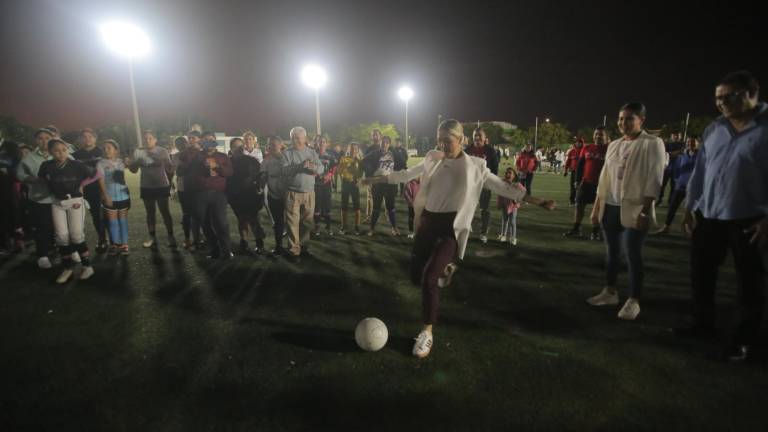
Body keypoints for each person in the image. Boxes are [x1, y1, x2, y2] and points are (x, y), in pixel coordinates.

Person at [363, 119, 556, 359]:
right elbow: (405, 174)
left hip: (450, 228)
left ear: (461, 139)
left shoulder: (475, 166)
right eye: (440, 140)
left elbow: (503, 187)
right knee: (415, 275)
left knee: (428, 279)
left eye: (448, 140)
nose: (443, 145)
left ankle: (427, 332)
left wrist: (536, 201)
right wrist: (375, 179)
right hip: (427, 224)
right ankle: (447, 267)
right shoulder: (433, 158)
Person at [678, 71, 767, 362]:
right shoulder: (715, 128)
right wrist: (690, 207)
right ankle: (702, 324)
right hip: (711, 213)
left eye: (728, 97)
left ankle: (745, 340)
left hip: (751, 217)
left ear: (750, 93)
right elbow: (701, 171)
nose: (721, 104)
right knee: (701, 274)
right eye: (717, 98)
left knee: (749, 282)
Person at [586, 102, 665, 321]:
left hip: (635, 208)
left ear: (642, 120)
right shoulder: (614, 145)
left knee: (632, 254)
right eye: (621, 118)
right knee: (612, 253)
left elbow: (655, 179)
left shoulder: (653, 143)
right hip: (610, 206)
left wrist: (645, 211)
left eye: (630, 118)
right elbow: (604, 180)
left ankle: (634, 299)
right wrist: (596, 208)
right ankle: (610, 291)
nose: (623, 122)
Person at [38, 138, 100, 283]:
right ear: (50, 152)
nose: (61, 153)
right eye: (56, 151)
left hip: (75, 201)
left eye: (64, 150)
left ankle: (87, 266)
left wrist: (82, 185)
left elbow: (96, 174)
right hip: (57, 202)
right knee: (61, 236)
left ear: (67, 149)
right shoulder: (46, 165)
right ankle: (67, 268)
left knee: (76, 235)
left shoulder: (76, 164)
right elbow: (42, 178)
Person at [282, 126, 323, 263]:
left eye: (298, 137)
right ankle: (294, 250)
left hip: (309, 192)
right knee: (292, 223)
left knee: (307, 222)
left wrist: (314, 167)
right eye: (293, 137)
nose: (295, 140)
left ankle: (304, 247)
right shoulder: (287, 153)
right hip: (292, 192)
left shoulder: (311, 153)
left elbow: (321, 168)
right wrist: (300, 167)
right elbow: (284, 170)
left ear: (305, 138)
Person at [129, 130, 176, 249]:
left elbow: (170, 170)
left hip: (161, 186)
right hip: (146, 186)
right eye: (145, 138)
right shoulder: (139, 151)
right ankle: (152, 237)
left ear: (155, 140)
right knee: (150, 213)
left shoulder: (162, 151)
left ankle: (171, 237)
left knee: (165, 212)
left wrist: (170, 182)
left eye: (150, 138)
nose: (147, 140)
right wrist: (135, 162)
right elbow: (133, 170)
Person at [16, 128, 56, 268]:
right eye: (40, 138)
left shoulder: (60, 152)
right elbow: (20, 174)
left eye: (47, 138)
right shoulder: (29, 157)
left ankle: (55, 249)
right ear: (36, 141)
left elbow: (76, 167)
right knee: (42, 227)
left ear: (52, 138)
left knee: (58, 227)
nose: (44, 141)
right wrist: (33, 180)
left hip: (59, 198)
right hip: (40, 198)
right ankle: (42, 255)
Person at [564, 126, 610, 240]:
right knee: (579, 205)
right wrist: (577, 181)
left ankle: (596, 231)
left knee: (599, 209)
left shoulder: (611, 149)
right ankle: (576, 228)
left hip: (602, 185)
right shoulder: (587, 148)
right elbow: (580, 165)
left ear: (606, 137)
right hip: (586, 183)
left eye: (601, 134)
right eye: (596, 134)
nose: (598, 136)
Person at [192, 133, 234, 259]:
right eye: (205, 140)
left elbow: (230, 172)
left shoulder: (222, 156)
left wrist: (217, 166)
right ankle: (214, 250)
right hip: (201, 194)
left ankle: (226, 251)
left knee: (221, 223)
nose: (208, 142)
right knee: (204, 223)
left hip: (218, 194)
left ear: (215, 141)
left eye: (211, 140)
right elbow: (191, 173)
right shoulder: (197, 156)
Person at [228, 136, 266, 255]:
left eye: (240, 146)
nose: (239, 149)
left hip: (250, 196)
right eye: (236, 147)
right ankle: (244, 242)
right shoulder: (228, 162)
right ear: (231, 149)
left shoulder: (251, 160)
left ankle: (259, 243)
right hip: (235, 196)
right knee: (242, 220)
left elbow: (261, 176)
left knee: (254, 220)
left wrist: (259, 187)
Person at [654, 136, 699, 234]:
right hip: (680, 187)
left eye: (692, 143)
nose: (690, 144)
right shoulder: (681, 156)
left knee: (692, 210)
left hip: (694, 188)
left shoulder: (701, 157)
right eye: (688, 143)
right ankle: (666, 227)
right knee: (672, 207)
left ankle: (690, 229)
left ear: (697, 144)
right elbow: (677, 170)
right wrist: (678, 180)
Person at [73, 128, 108, 252]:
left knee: (103, 215)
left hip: (101, 188)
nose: (87, 139)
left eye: (90, 136)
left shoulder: (102, 152)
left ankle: (108, 239)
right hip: (84, 190)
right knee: (89, 216)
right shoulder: (75, 155)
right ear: (80, 139)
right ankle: (99, 239)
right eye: (84, 136)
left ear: (95, 138)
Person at [465, 127, 500, 243]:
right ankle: (467, 228)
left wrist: (490, 183)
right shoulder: (468, 150)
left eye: (480, 135)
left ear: (485, 138)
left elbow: (494, 170)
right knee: (467, 208)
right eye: (475, 135)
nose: (477, 137)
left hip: (484, 185)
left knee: (484, 209)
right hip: (470, 185)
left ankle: (484, 232)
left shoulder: (490, 151)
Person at [97, 140, 131, 255]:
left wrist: (129, 161)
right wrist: (106, 196)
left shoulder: (121, 162)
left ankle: (125, 245)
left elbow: (132, 167)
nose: (106, 150)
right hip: (110, 197)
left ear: (116, 150)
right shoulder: (100, 164)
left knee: (123, 221)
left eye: (109, 148)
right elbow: (100, 180)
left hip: (123, 196)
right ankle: (116, 245)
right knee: (113, 223)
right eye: (104, 148)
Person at [364, 135, 399, 236]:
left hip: (389, 184)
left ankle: (394, 228)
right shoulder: (375, 153)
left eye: (387, 142)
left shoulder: (393, 154)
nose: (384, 144)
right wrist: (371, 173)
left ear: (389, 144)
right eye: (383, 142)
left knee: (391, 207)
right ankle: (371, 229)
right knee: (376, 207)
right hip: (378, 184)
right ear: (380, 143)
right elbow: (364, 161)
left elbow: (402, 162)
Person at [262, 135, 288, 255]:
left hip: (288, 193)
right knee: (278, 221)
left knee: (291, 220)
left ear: (280, 145)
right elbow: (262, 175)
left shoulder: (287, 157)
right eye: (270, 144)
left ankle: (295, 245)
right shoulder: (266, 160)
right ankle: (279, 246)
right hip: (273, 193)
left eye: (274, 144)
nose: (271, 146)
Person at [337, 142, 364, 235]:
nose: (353, 150)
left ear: (357, 150)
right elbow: (339, 171)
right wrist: (342, 178)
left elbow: (361, 173)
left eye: (355, 149)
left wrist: (358, 179)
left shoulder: (359, 160)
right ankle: (344, 226)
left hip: (354, 184)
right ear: (348, 149)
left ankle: (357, 227)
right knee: (344, 206)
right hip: (345, 184)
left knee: (357, 206)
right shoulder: (343, 159)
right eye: (352, 148)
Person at [313, 136, 337, 236]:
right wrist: (315, 173)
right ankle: (317, 227)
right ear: (317, 144)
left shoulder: (330, 155)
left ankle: (328, 227)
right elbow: (310, 166)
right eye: (320, 142)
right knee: (317, 207)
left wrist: (330, 175)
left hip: (327, 184)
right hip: (316, 185)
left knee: (327, 207)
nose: (322, 144)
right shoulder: (313, 154)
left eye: (324, 142)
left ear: (327, 143)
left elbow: (334, 167)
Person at [497, 167, 524, 245]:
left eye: (510, 173)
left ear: (514, 176)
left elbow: (523, 192)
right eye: (506, 173)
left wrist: (517, 200)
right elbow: (500, 194)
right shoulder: (503, 184)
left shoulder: (517, 185)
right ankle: (503, 235)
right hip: (505, 205)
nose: (507, 174)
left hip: (513, 206)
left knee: (512, 221)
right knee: (504, 220)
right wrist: (499, 203)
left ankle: (513, 237)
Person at [658, 132, 685, 206]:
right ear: (672, 136)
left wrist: (670, 153)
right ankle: (660, 200)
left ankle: (670, 201)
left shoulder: (682, 144)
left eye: (677, 135)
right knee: (662, 185)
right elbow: (664, 152)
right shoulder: (668, 144)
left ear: (680, 136)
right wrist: (671, 153)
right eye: (674, 135)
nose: (676, 137)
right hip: (667, 167)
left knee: (673, 186)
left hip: (676, 168)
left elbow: (681, 151)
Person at [362, 129, 383, 222]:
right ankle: (369, 216)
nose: (375, 136)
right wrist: (370, 172)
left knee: (381, 197)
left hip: (382, 177)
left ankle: (383, 215)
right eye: (373, 135)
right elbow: (364, 162)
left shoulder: (385, 147)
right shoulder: (369, 149)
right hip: (371, 177)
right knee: (370, 197)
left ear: (380, 136)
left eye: (376, 135)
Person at [563, 138, 585, 206]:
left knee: (581, 187)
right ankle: (572, 201)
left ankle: (579, 200)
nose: (578, 143)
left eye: (580, 142)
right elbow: (568, 161)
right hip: (574, 171)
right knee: (573, 186)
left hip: (582, 172)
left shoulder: (585, 150)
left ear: (582, 143)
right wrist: (565, 170)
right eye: (577, 142)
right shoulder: (572, 151)